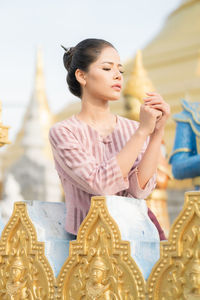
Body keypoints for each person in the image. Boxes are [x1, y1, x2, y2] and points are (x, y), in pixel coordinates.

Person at [49, 38, 170, 241]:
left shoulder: (132, 127)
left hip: (137, 231)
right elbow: (101, 184)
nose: (117, 76)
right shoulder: (64, 132)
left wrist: (156, 132)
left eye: (120, 70)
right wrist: (142, 133)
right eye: (107, 68)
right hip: (90, 239)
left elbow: (138, 191)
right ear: (81, 75)